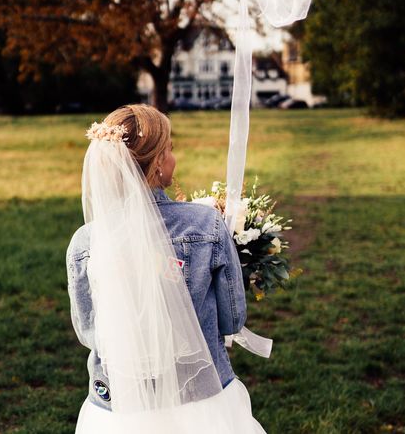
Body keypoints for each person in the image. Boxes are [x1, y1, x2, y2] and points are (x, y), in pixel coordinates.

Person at [66, 103, 267, 433]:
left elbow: (90, 333)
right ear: (158, 162)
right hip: (201, 396)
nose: (173, 157)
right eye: (170, 149)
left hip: (117, 400)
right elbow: (233, 319)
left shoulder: (86, 241)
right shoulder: (207, 225)